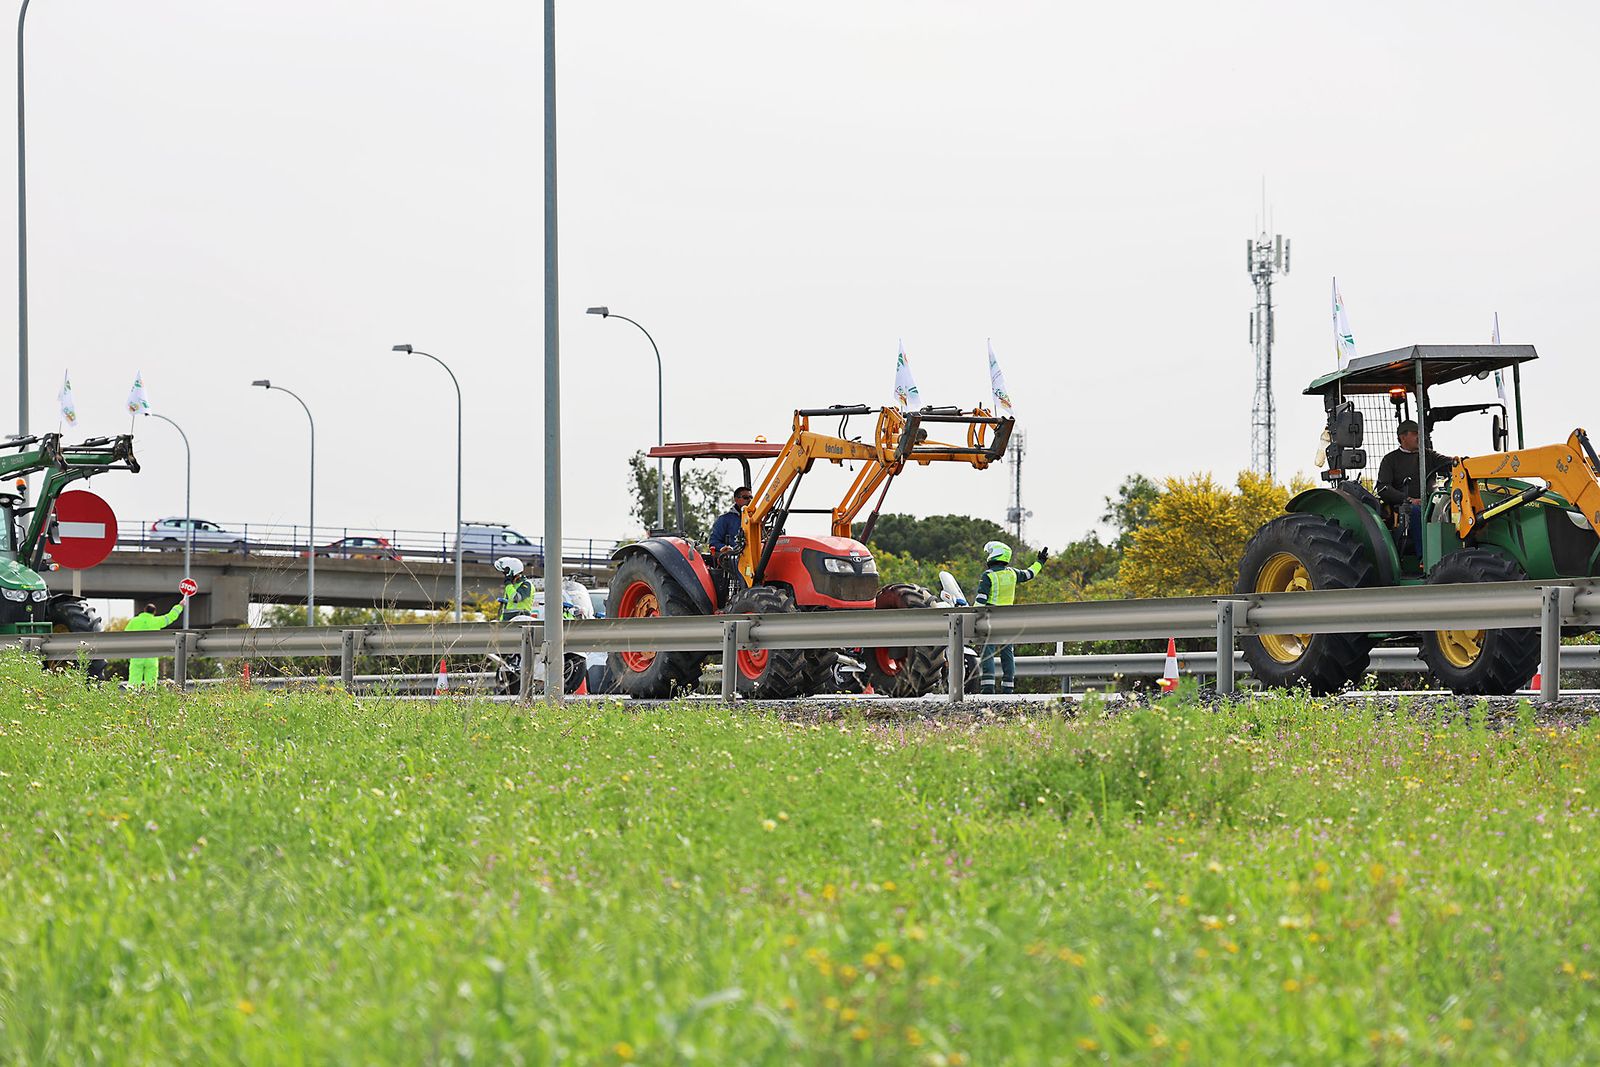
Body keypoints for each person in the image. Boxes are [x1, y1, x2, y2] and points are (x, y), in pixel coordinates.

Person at [975, 540, 1049, 694]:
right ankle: (1008, 687)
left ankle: (988, 688)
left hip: (990, 617)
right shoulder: (1013, 573)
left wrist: (973, 618)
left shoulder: (988, 576)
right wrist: (1040, 561)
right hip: (1008, 617)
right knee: (1007, 652)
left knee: (988, 651)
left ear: (995, 554)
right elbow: (1030, 573)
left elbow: (980, 601)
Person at [1375, 420, 1454, 553]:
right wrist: (1408, 499)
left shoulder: (1428, 455)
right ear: (1403, 437)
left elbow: (1448, 462)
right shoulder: (1390, 460)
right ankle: (1425, 556)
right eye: (1414, 433)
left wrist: (1462, 462)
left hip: (1430, 502)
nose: (1419, 437)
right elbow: (1383, 488)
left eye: (1420, 433)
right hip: (1405, 506)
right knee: (1417, 511)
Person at [124, 595, 190, 688]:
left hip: (137, 655)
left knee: (134, 682)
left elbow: (125, 636)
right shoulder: (156, 621)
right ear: (154, 612)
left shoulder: (134, 621)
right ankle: (150, 699)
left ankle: (132, 699)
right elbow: (170, 617)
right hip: (152, 656)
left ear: (144, 610)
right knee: (151, 683)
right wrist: (179, 606)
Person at [710, 486, 753, 553]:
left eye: (751, 497)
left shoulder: (755, 519)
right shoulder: (724, 519)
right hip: (734, 559)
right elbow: (714, 542)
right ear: (736, 499)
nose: (749, 500)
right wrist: (724, 548)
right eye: (745, 497)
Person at [494, 556, 536, 621]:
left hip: (520, 621)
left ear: (513, 572)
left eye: (505, 573)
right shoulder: (513, 585)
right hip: (508, 620)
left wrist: (508, 584)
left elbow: (516, 598)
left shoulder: (526, 584)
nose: (505, 575)